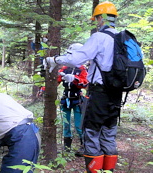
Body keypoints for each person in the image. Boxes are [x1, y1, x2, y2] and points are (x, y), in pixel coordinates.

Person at [43, 2, 121, 172]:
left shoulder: (99, 37)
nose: (97, 22)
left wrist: (55, 59)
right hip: (116, 96)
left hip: (99, 95)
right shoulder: (124, 38)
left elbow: (76, 59)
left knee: (91, 133)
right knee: (108, 134)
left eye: (97, 19)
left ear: (100, 18)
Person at [58, 43, 88, 156]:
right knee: (66, 124)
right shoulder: (65, 68)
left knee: (78, 125)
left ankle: (83, 146)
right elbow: (56, 80)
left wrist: (75, 79)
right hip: (66, 99)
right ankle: (67, 147)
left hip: (77, 100)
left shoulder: (82, 69)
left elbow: (85, 83)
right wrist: (43, 89)